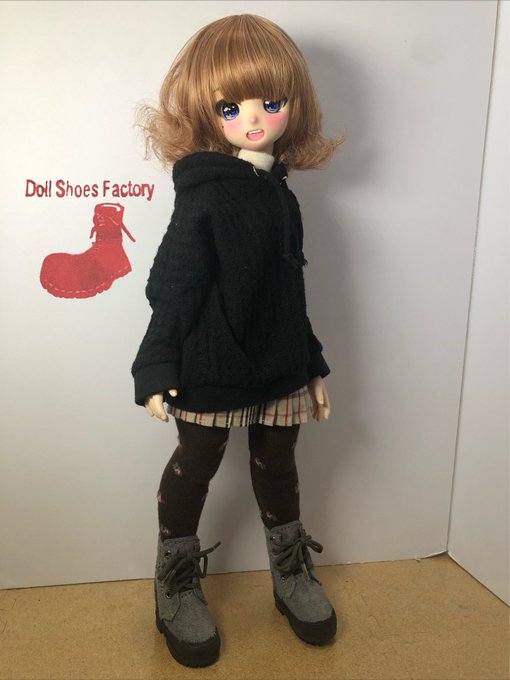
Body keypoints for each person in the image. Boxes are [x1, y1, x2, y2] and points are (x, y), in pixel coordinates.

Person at [131, 14, 346, 668]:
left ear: (293, 106)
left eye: (269, 102)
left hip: (280, 365)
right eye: (231, 107)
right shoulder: (203, 195)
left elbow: (288, 289)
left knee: (278, 462)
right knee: (197, 460)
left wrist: (311, 364)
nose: (253, 118)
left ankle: (289, 570)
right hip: (212, 363)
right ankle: (174, 578)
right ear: (207, 113)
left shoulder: (282, 197)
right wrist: (157, 364)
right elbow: (173, 285)